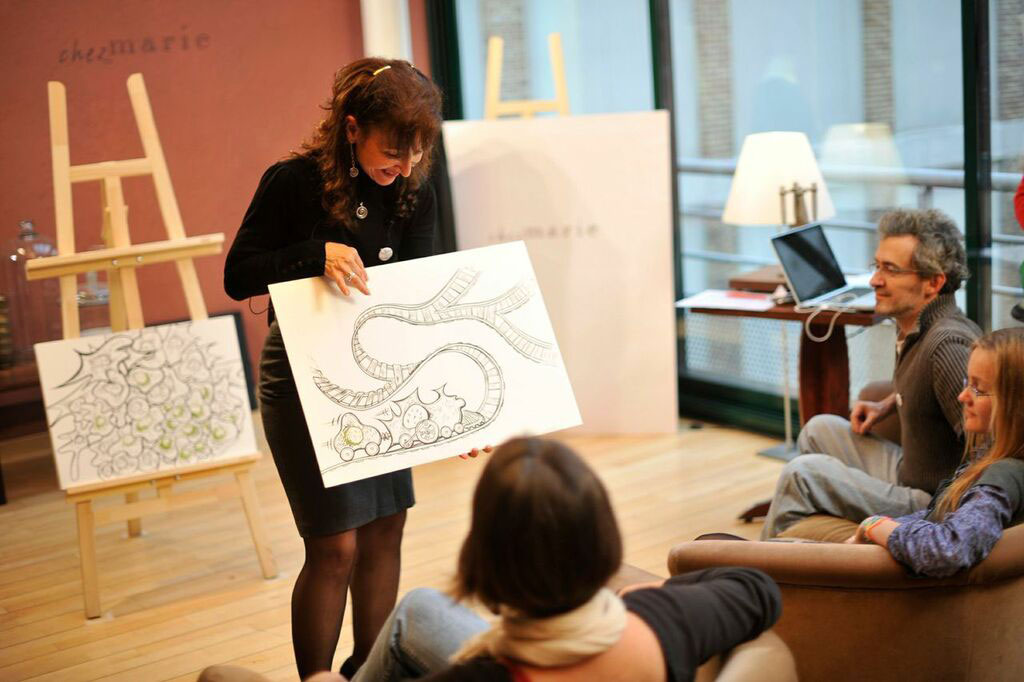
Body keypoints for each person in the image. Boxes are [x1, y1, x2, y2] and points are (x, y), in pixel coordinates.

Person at [224, 58, 483, 679]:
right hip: (303, 376)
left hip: (384, 374)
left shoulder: (414, 190)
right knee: (334, 544)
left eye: (416, 154)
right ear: (351, 128)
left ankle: (371, 671)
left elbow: (424, 300)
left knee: (386, 528)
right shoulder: (292, 182)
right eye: (392, 152)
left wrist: (459, 413)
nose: (405, 168)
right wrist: (316, 255)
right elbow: (238, 275)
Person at [350, 437, 783, 682]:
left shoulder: (476, 677)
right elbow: (757, 588)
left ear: (486, 561)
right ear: (602, 541)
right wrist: (645, 600)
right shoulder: (664, 622)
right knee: (421, 606)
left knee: (415, 611)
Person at [762, 208, 981, 539]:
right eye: (877, 266)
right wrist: (888, 403)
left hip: (928, 502)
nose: (875, 280)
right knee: (819, 428)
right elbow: (932, 387)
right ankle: (808, 541)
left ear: (933, 282)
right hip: (908, 469)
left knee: (801, 472)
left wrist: (950, 523)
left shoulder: (947, 345)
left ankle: (760, 566)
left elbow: (986, 446)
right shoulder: (918, 326)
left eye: (890, 270)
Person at [845, 328, 1024, 577]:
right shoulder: (993, 460)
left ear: (1016, 403)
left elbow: (949, 549)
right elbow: (939, 517)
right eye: (967, 383)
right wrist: (886, 526)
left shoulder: (1002, 479)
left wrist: (873, 525)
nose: (962, 396)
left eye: (978, 388)